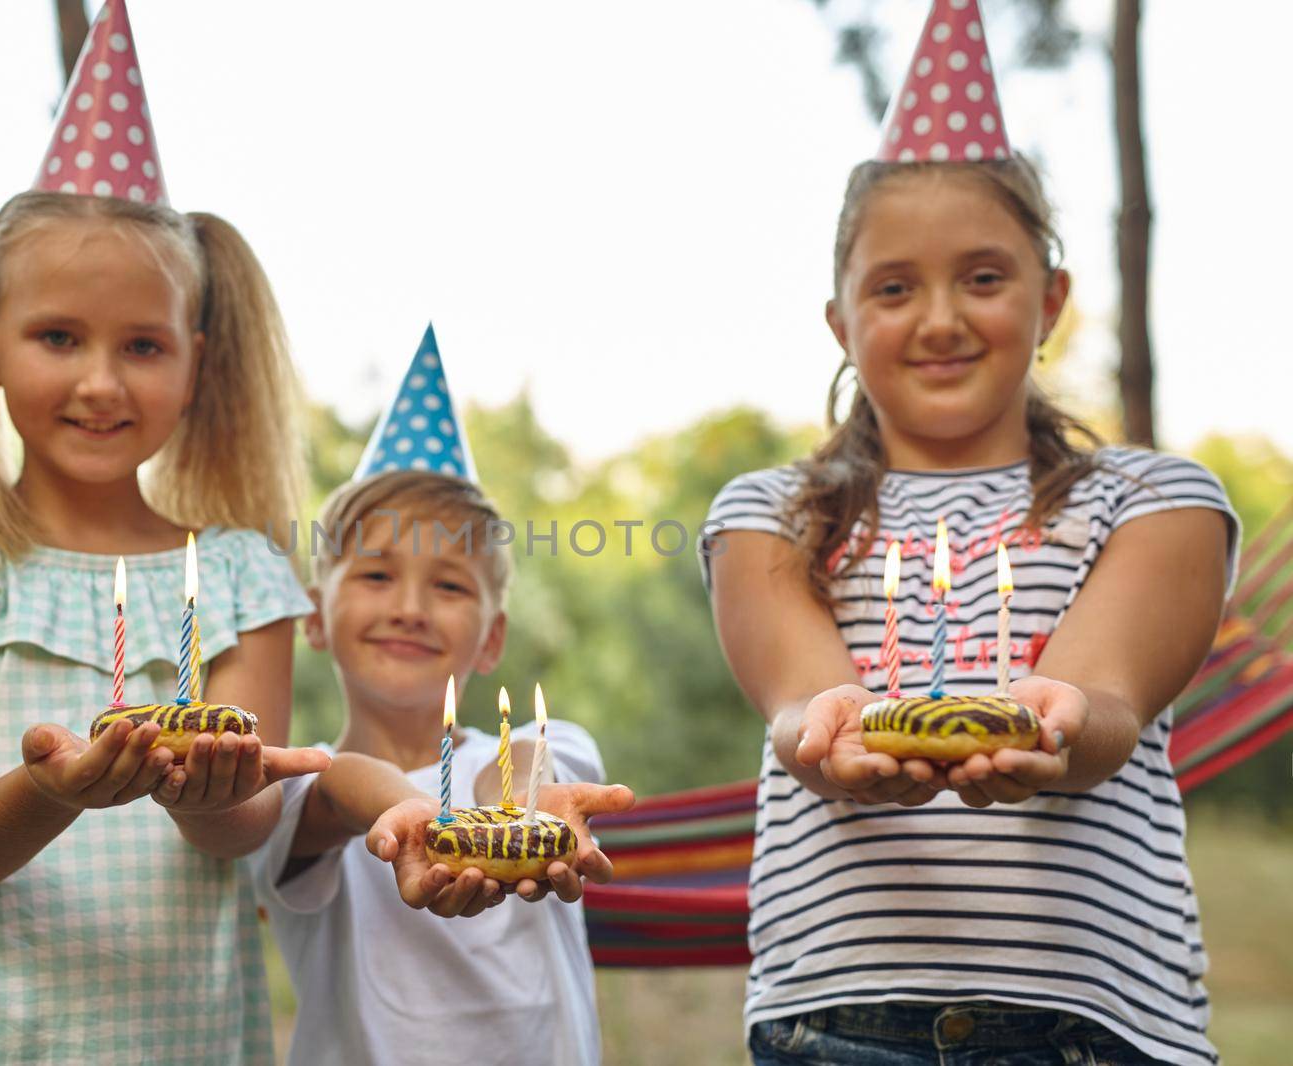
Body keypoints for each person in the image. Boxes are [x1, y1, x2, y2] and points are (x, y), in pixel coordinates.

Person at [703, 5, 1235, 1064]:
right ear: (840, 322)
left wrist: (1051, 724)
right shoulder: (766, 515)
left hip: (1093, 1028)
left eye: (983, 277)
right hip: (836, 1024)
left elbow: (1107, 698)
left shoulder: (1159, 502)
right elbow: (803, 702)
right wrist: (833, 735)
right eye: (894, 288)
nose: (940, 318)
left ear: (1053, 298)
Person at [0, 8, 324, 1062]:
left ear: (196, 360)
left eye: (142, 345)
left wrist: (206, 789)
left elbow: (245, 830)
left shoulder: (242, 576)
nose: (101, 382)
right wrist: (52, 790)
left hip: (176, 1041)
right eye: (58, 337)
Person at [251, 330, 632, 1066]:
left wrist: (520, 808)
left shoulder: (557, 747)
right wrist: (415, 813)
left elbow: (516, 769)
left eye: (450, 585)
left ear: (491, 639)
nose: (411, 607)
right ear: (313, 616)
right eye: (375, 576)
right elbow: (341, 787)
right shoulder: (291, 789)